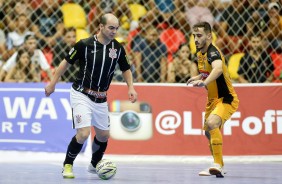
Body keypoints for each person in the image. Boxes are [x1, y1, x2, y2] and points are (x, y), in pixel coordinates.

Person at [44, 13, 137, 179]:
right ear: (100, 26)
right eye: (111, 28)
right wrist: (52, 83)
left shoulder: (117, 49)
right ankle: (67, 165)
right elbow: (65, 63)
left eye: (116, 28)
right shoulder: (84, 45)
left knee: (103, 136)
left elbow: (126, 69)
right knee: (84, 134)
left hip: (101, 98)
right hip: (81, 94)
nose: (114, 31)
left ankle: (94, 164)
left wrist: (131, 87)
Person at [187, 22, 239, 177]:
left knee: (211, 124)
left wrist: (204, 82)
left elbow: (216, 69)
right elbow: (206, 71)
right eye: (194, 36)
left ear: (209, 36)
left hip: (226, 98)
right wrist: (197, 77)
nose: (195, 39)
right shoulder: (200, 52)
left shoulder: (212, 52)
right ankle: (219, 164)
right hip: (212, 100)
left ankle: (217, 164)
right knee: (208, 133)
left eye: (199, 36)